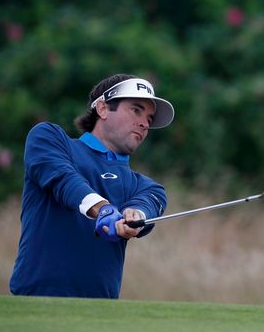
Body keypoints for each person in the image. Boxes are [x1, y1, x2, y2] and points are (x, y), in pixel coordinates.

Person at [9, 74, 175, 298]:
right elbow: (64, 180)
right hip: (37, 300)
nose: (145, 124)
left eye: (150, 118)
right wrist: (103, 209)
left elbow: (146, 206)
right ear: (103, 108)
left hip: (101, 312)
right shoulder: (49, 139)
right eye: (136, 110)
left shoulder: (147, 187)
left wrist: (135, 217)